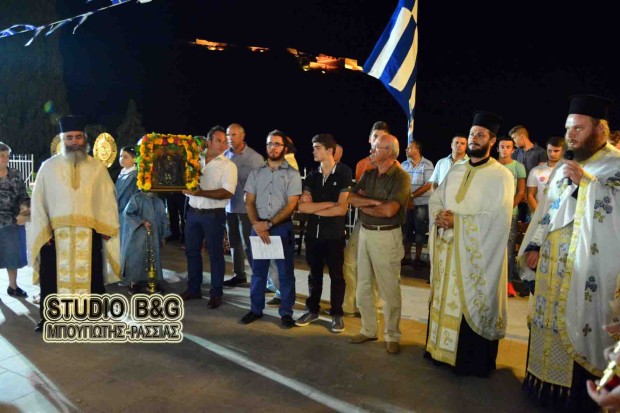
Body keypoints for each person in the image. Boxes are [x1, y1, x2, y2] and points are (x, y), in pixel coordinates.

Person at [519, 94, 620, 412]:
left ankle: (578, 398)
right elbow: (548, 209)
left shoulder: (615, 163)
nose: (571, 135)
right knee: (546, 323)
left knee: (580, 320)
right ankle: (543, 388)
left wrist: (588, 184)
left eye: (578, 128)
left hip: (587, 266)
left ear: (600, 130)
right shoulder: (566, 164)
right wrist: (535, 244)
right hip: (552, 264)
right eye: (568, 128)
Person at [425, 111, 514, 377]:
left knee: (469, 301)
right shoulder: (457, 169)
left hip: (474, 254)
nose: (474, 138)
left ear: (492, 140)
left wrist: (459, 222)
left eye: (481, 135)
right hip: (447, 249)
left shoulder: (501, 175)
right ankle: (438, 351)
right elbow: (437, 197)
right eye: (472, 133)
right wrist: (438, 215)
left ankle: (466, 361)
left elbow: (498, 219)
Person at [29, 115, 121, 332]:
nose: (74, 142)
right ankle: (51, 318)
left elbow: (107, 198)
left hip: (89, 232)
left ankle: (92, 316)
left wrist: (107, 226)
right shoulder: (48, 167)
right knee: (51, 278)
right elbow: (38, 201)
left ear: (85, 139)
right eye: (69, 138)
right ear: (62, 140)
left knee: (92, 276)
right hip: (54, 235)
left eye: (78, 137)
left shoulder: (97, 167)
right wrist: (43, 231)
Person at [347, 134, 410, 355]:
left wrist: (364, 206)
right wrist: (374, 203)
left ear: (389, 152)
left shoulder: (401, 177)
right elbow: (350, 198)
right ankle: (368, 329)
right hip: (365, 232)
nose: (371, 151)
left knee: (388, 288)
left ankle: (392, 335)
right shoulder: (369, 173)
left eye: (375, 148)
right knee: (363, 284)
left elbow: (390, 210)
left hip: (386, 235)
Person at [239, 130, 302, 329]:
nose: (272, 148)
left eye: (277, 144)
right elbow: (249, 201)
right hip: (258, 227)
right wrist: (258, 225)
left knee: (285, 273)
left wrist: (269, 224)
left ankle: (286, 313)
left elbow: (291, 204)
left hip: (281, 228)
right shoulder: (256, 173)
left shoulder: (292, 174)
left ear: (285, 148)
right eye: (269, 144)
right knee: (258, 272)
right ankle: (255, 310)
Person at [295, 133, 352, 333]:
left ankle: (336, 313)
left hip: (334, 235)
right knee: (314, 274)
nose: (313, 151)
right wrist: (329, 204)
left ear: (330, 150)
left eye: (317, 147)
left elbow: (342, 209)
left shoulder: (343, 172)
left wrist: (315, 208)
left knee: (337, 275)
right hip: (313, 234)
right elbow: (302, 207)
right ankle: (312, 310)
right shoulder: (312, 175)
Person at [181, 125, 237, 309]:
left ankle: (216, 293)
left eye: (225, 141)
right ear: (209, 141)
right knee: (192, 253)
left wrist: (200, 192)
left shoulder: (228, 165)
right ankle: (194, 288)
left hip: (214, 216)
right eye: (219, 140)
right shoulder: (195, 160)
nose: (223, 144)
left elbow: (227, 192)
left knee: (215, 255)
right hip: (193, 213)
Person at [343, 121, 390, 316]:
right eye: (375, 136)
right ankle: (350, 305)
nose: (377, 140)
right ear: (370, 139)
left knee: (375, 266)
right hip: (362, 221)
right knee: (350, 261)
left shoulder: (393, 167)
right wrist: (371, 202)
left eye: (382, 138)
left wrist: (366, 201)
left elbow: (389, 204)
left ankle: (374, 307)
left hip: (383, 226)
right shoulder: (362, 164)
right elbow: (355, 196)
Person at [222, 123, 264, 287]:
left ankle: (259, 277)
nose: (230, 138)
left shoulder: (254, 157)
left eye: (233, 135)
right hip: (229, 206)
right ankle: (239, 274)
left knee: (249, 244)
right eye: (228, 135)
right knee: (234, 242)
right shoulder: (225, 155)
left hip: (247, 208)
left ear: (242, 136)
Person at [120, 190, 170, 294]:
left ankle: (152, 281)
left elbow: (164, 218)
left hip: (154, 236)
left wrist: (164, 235)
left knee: (153, 258)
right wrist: (142, 221)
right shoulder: (137, 198)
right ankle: (134, 283)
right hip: (139, 236)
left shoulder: (158, 201)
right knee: (137, 258)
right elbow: (127, 213)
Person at [496, 136, 526, 297]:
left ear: (513, 150)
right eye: (502, 146)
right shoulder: (491, 165)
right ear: (497, 148)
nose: (505, 150)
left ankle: (507, 283)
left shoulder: (518, 167)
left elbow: (521, 192)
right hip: (491, 213)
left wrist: (508, 208)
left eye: (508, 147)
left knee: (508, 249)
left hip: (510, 214)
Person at [0, 141, 30, 298]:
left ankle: (13, 286)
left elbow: (24, 196)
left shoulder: (16, 174)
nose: (5, 158)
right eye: (1, 155)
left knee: (12, 256)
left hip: (13, 222)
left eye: (7, 155)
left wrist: (24, 210)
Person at [400, 140, 434, 268]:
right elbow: (400, 182)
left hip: (422, 204)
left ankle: (418, 259)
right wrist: (407, 198)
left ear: (417, 150)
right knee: (406, 230)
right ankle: (407, 256)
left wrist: (412, 196)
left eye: (409, 147)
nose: (406, 149)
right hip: (406, 204)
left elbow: (428, 184)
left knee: (420, 231)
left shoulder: (427, 164)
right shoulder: (403, 164)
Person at [509, 125, 547, 222]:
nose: (513, 141)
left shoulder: (541, 152)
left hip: (533, 195)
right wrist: (520, 193)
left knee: (532, 222)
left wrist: (528, 193)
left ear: (522, 137)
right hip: (517, 195)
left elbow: (541, 176)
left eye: (514, 138)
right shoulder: (514, 153)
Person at [525, 136, 565, 213]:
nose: (552, 154)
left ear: (563, 151)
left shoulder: (568, 171)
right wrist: (539, 214)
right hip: (540, 213)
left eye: (556, 151)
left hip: (561, 215)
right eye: (549, 150)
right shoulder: (535, 171)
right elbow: (530, 195)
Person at [115, 146, 139, 248]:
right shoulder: (122, 173)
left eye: (125, 157)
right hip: (118, 211)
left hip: (126, 212)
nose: (122, 159)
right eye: (120, 156)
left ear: (134, 159)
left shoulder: (134, 176)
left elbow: (130, 196)